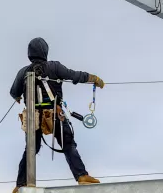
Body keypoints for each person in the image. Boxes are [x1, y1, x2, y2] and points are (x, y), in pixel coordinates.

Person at [10, 37, 106, 192]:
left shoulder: (23, 72)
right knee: (68, 144)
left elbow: (14, 92)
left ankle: (21, 184)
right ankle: (81, 175)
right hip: (55, 114)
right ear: (45, 51)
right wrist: (92, 78)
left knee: (31, 149)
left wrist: (18, 97)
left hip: (33, 117)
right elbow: (74, 75)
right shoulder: (55, 67)